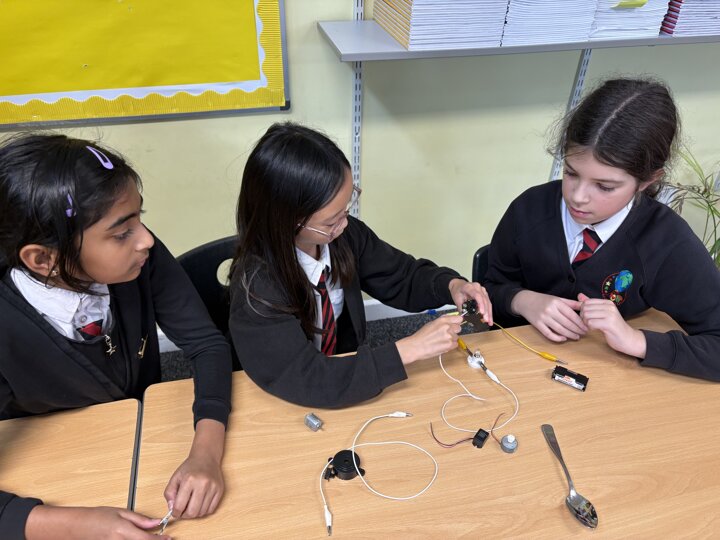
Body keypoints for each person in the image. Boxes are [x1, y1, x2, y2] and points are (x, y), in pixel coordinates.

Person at [0, 134, 233, 539]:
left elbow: (206, 344)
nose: (146, 240)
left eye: (139, 219)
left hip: (141, 437)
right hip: (56, 466)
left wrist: (206, 453)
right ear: (43, 259)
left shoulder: (138, 258)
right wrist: (75, 525)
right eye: (122, 233)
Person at [228, 122, 493, 408]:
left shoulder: (344, 237)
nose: (344, 224)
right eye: (331, 221)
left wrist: (451, 285)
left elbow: (401, 276)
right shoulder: (257, 289)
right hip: (288, 399)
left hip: (344, 374)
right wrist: (408, 350)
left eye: (347, 207)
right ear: (288, 221)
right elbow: (307, 378)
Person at [484, 77, 720, 381]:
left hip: (608, 378)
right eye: (571, 173)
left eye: (605, 186)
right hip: (513, 368)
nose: (578, 196)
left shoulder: (666, 242)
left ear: (647, 181)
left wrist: (637, 340)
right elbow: (486, 292)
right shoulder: (529, 210)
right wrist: (520, 300)